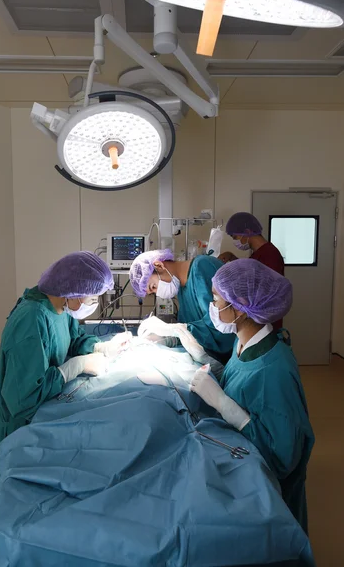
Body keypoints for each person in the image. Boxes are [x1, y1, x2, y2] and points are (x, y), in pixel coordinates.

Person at [0, 251, 131, 509]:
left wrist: (101, 348)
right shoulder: (32, 319)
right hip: (16, 428)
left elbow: (73, 341)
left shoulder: (60, 309)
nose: (93, 302)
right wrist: (77, 366)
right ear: (72, 293)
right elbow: (24, 397)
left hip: (36, 420)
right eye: (92, 297)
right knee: (11, 508)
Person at [190, 259, 314, 533]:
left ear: (241, 306)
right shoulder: (244, 339)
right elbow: (238, 380)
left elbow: (283, 457)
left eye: (216, 299)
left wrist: (223, 404)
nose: (212, 307)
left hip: (270, 496)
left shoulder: (275, 370)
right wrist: (203, 359)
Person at [130, 249, 235, 368]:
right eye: (152, 292)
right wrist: (171, 338)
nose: (157, 293)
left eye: (153, 286)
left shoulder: (203, 268)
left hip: (230, 357)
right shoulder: (181, 288)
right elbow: (192, 328)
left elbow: (221, 324)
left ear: (159, 265)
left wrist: (178, 330)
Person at [224, 212, 285, 329]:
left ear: (247, 232)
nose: (235, 241)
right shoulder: (258, 254)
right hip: (259, 318)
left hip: (266, 320)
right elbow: (252, 272)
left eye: (235, 237)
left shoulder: (270, 254)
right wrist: (232, 258)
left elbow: (266, 288)